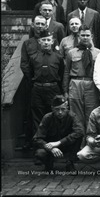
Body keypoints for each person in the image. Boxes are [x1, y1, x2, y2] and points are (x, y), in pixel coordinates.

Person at [21, 15, 54, 150]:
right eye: (37, 24)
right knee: (34, 115)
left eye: (42, 24)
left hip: (51, 86)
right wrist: (33, 78)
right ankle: (37, 145)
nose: (39, 26)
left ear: (46, 26)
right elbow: (24, 64)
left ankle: (52, 143)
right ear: (33, 25)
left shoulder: (51, 42)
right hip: (34, 84)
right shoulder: (28, 43)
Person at [63, 25, 100, 138]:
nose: (85, 38)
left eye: (87, 35)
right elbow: (66, 72)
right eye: (83, 35)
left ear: (92, 36)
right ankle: (78, 142)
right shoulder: (71, 53)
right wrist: (65, 91)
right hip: (76, 83)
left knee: (91, 113)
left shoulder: (98, 53)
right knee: (76, 114)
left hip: (91, 84)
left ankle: (90, 140)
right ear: (79, 36)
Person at [33, 95, 83, 172]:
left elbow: (79, 131)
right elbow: (37, 138)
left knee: (78, 136)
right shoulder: (47, 118)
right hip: (51, 147)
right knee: (40, 153)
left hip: (66, 145)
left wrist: (58, 143)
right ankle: (48, 163)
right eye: (57, 109)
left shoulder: (72, 116)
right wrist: (51, 148)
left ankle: (70, 163)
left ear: (67, 108)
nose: (60, 112)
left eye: (63, 109)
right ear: (52, 108)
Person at [29, 30, 64, 133]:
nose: (46, 42)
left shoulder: (58, 57)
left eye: (48, 40)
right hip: (38, 89)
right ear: (39, 41)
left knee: (54, 114)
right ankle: (40, 142)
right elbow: (31, 73)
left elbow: (61, 73)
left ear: (52, 42)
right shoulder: (33, 57)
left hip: (53, 88)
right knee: (37, 116)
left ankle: (53, 141)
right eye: (43, 40)